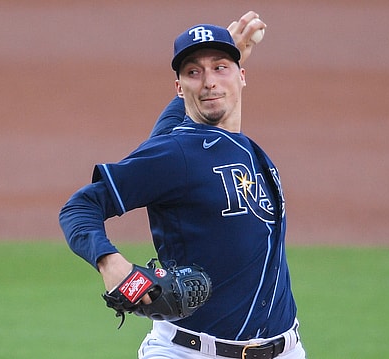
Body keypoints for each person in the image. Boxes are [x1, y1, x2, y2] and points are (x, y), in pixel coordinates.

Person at [59, 11, 307, 359]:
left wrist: (222, 58)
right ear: (179, 87)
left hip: (285, 350)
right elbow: (80, 206)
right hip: (190, 353)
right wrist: (110, 262)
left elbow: (177, 118)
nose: (209, 82)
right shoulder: (175, 154)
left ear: (242, 75)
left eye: (220, 67)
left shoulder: (247, 149)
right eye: (194, 72)